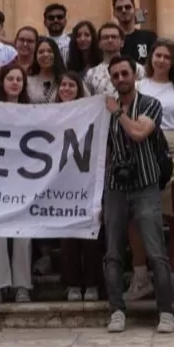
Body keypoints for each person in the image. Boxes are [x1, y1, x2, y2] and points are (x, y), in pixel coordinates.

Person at [102, 56, 174, 333]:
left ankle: (166, 311)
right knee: (112, 252)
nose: (120, 79)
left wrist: (117, 113)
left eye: (125, 73)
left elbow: (138, 132)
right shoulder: (105, 108)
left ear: (134, 75)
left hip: (146, 183)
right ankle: (116, 310)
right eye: (116, 75)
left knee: (156, 251)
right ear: (110, 79)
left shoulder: (149, 104)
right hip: (115, 187)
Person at [136, 39, 174, 296]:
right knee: (145, 211)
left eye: (166, 57)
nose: (161, 60)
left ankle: (169, 275)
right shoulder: (139, 86)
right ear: (151, 59)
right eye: (157, 55)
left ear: (173, 62)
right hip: (146, 145)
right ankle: (144, 275)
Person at [0, 65, 34, 304]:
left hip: (25, 179)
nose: (15, 83)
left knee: (23, 234)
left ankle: (22, 286)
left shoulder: (35, 112)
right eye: (10, 79)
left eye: (19, 79)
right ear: (1, 82)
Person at [55, 72, 102, 301]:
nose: (66, 88)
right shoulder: (47, 114)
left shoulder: (90, 112)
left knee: (90, 233)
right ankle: (72, 283)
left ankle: (92, 283)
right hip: (58, 183)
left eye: (71, 85)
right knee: (67, 236)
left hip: (87, 181)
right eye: (62, 84)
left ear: (79, 88)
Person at [114, 0, 157, 65]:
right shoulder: (111, 39)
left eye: (127, 7)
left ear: (134, 10)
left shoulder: (150, 37)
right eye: (119, 8)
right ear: (114, 13)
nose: (123, 10)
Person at [85, 22, 127, 98]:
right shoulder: (91, 74)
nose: (110, 40)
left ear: (122, 43)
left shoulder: (137, 69)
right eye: (105, 37)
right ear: (99, 44)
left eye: (114, 37)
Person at [28, 37, 65, 104]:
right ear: (35, 56)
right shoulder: (27, 81)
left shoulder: (68, 80)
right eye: (41, 52)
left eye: (50, 51)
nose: (45, 54)